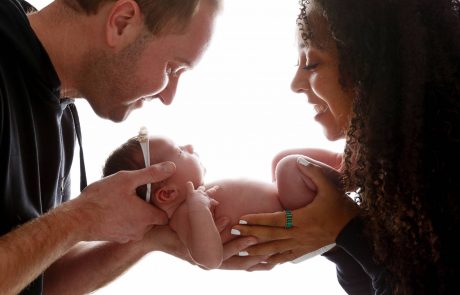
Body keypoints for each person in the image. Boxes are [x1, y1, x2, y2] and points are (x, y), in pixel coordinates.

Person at [228, 0, 460, 294]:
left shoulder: (442, 181)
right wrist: (335, 242)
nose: (295, 83)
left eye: (312, 63)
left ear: (374, 68)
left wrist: (346, 228)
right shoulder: (401, 173)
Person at [0, 0, 222, 294]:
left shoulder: (64, 122)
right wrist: (81, 217)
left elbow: (37, 282)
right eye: (172, 68)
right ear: (121, 22)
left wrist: (151, 237)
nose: (169, 96)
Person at [102, 132, 334, 269]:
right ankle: (345, 177)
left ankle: (340, 164)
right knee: (287, 167)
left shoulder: (192, 201)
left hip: (288, 205)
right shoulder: (185, 216)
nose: (189, 147)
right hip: (292, 220)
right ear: (167, 194)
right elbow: (209, 260)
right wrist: (200, 210)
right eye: (180, 152)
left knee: (280, 161)